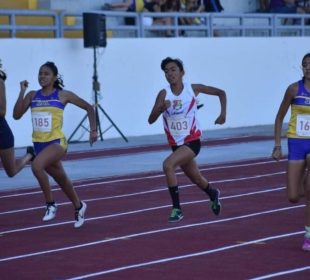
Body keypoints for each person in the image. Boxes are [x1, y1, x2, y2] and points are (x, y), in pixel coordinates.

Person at [13, 61, 98, 228]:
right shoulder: (32, 95)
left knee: (37, 166)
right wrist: (22, 91)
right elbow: (16, 115)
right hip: (40, 145)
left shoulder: (62, 95)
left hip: (57, 143)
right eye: (40, 73)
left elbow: (89, 108)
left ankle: (50, 204)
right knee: (62, 179)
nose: (42, 76)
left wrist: (93, 130)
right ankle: (79, 206)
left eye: (46, 74)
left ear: (54, 77)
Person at [148, 57, 226, 222]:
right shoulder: (163, 94)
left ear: (182, 72)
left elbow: (221, 93)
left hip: (192, 141)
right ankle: (213, 194)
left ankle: (177, 209)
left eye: (173, 70)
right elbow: (151, 119)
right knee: (196, 178)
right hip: (176, 145)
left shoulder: (192, 89)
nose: (170, 74)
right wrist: (161, 108)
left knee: (168, 165)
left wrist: (223, 114)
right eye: (166, 71)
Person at [272, 53, 310, 251]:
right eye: (305, 65)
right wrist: (277, 145)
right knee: (293, 196)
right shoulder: (294, 89)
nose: (308, 68)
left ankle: (308, 235)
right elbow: (279, 118)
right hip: (296, 142)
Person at [0, 60, 34, 177]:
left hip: (2, 134)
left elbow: (2, 112)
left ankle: (30, 155)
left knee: (11, 171)